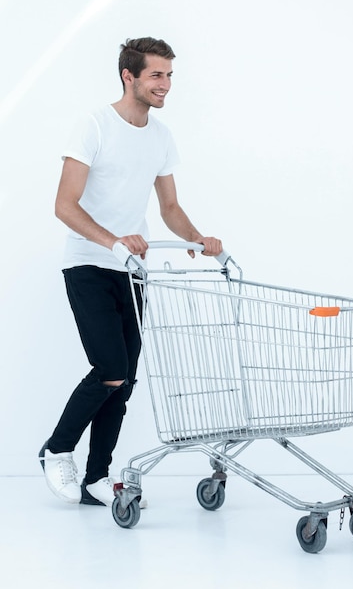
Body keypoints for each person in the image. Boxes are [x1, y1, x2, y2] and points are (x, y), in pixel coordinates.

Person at [39, 37, 223, 507]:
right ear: (130, 76)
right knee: (110, 369)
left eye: (169, 76)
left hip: (132, 270)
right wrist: (114, 241)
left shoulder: (160, 136)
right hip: (88, 264)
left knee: (125, 381)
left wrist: (200, 241)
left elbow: (170, 207)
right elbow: (64, 205)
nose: (166, 85)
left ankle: (96, 477)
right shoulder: (94, 126)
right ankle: (57, 448)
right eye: (157, 75)